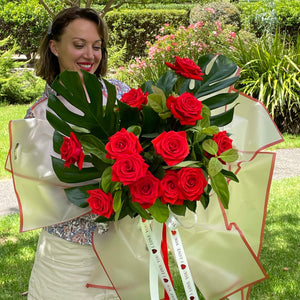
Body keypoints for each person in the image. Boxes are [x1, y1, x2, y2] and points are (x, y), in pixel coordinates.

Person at [24, 7, 129, 299]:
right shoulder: (38, 116)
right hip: (68, 258)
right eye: (79, 45)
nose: (90, 55)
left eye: (96, 46)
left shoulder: (123, 95)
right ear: (55, 47)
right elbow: (49, 197)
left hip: (127, 250)